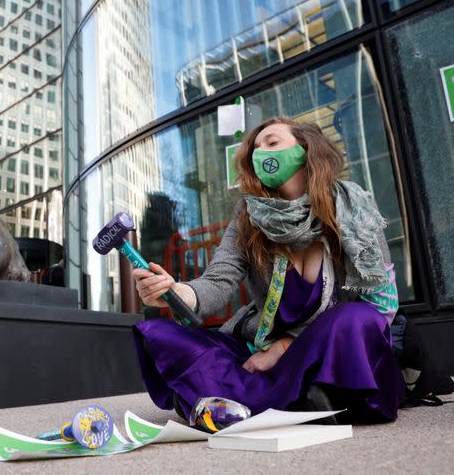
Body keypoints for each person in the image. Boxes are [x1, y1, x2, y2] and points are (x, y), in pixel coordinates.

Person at [132, 117, 404, 424]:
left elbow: (382, 305)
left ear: (305, 149)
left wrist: (284, 348)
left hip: (324, 349)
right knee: (163, 335)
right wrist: (175, 292)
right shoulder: (249, 215)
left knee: (359, 320)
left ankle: (239, 400)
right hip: (256, 350)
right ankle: (303, 399)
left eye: (272, 143)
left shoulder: (354, 207)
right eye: (255, 150)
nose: (261, 153)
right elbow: (218, 281)